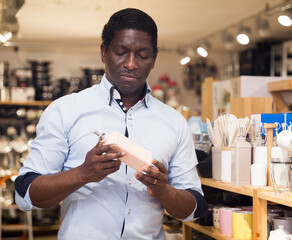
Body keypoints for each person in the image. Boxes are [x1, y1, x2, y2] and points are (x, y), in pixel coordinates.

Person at [15, 8, 208, 240]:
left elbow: (195, 208)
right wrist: (83, 174)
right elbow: (25, 193)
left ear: (154, 59)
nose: (131, 64)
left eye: (143, 55)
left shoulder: (174, 121)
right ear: (104, 52)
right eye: (121, 52)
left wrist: (162, 190)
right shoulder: (65, 110)